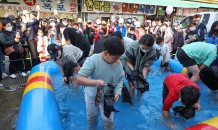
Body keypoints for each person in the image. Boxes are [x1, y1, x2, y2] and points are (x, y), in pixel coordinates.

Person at [76, 37, 125, 130]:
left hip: (108, 97)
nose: (117, 60)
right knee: (92, 118)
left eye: (119, 57)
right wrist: (95, 82)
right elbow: (79, 79)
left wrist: (117, 92)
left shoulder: (118, 63)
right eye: (115, 57)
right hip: (92, 96)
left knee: (109, 121)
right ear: (106, 53)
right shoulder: (93, 60)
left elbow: (120, 78)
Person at [121, 34, 157, 101]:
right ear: (139, 43)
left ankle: (139, 97)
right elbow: (127, 61)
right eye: (143, 48)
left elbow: (146, 65)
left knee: (141, 86)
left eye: (147, 48)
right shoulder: (132, 46)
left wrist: (144, 77)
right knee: (132, 86)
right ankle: (131, 101)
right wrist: (133, 70)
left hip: (141, 68)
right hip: (129, 68)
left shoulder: (152, 51)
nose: (145, 50)